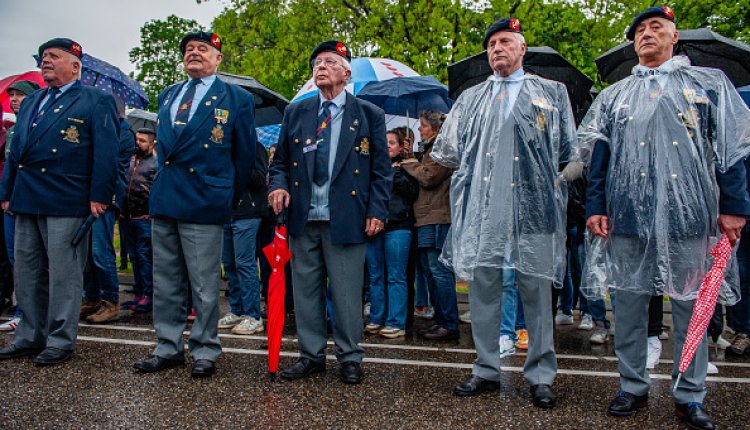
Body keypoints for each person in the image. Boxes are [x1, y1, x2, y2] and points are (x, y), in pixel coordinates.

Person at [578, 7, 750, 429]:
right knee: (631, 306)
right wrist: (596, 206)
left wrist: (734, 207)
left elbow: (730, 153)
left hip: (691, 218)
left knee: (693, 308)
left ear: (676, 38)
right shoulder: (614, 96)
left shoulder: (706, 86)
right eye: (639, 30)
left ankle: (689, 395)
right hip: (629, 219)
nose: (646, 34)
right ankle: (632, 385)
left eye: (657, 27)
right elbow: (597, 158)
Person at [431, 18, 578, 409]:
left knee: (536, 291)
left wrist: (556, 182)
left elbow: (569, 151)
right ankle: (485, 367)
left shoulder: (551, 93)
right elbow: (446, 152)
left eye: (505, 41)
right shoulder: (471, 97)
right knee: (484, 291)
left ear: (522, 47)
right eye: (492, 43)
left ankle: (541, 374)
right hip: (484, 210)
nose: (497, 48)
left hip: (534, 210)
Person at [133, 31, 256, 378]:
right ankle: (168, 346)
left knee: (203, 284)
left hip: (205, 197)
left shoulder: (236, 97)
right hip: (167, 196)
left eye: (204, 49)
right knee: (167, 280)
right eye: (189, 49)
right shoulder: (169, 94)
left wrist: (224, 193)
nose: (195, 53)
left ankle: (204, 348)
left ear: (219, 59)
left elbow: (245, 155)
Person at [268, 40, 391, 384]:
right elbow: (279, 162)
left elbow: (381, 170)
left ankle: (350, 356)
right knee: (305, 290)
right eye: (316, 62)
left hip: (347, 215)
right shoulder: (298, 112)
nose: (320, 67)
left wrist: (377, 210)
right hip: (303, 218)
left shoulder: (368, 114)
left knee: (347, 292)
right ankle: (311, 355)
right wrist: (277, 185)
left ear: (346, 72)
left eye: (330, 61)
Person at [0, 38, 119, 365]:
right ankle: (28, 336)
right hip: (26, 198)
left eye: (54, 56)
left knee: (64, 275)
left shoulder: (95, 101)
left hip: (67, 198)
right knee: (27, 272)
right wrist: (6, 193)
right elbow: (15, 154)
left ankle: (60, 340)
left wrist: (100, 195)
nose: (46, 61)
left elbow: (106, 152)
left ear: (75, 65)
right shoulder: (34, 100)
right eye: (43, 57)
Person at [401, 110, 458, 340]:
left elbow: (429, 176)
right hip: (424, 218)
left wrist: (411, 164)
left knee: (439, 271)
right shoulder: (429, 149)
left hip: (437, 217)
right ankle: (440, 319)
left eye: (423, 126)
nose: (420, 130)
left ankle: (449, 322)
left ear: (435, 128)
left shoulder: (442, 149)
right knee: (429, 270)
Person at [81, 98, 135, 323]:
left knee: (101, 252)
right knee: (89, 255)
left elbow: (108, 162)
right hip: (91, 195)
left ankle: (110, 302)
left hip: (108, 196)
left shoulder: (123, 132)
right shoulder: (105, 128)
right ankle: (92, 297)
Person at [365, 127, 419, 339]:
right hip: (373, 228)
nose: (387, 145)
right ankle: (377, 318)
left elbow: (412, 192)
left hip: (398, 227)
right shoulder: (372, 168)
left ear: (400, 147)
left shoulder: (407, 168)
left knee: (396, 276)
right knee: (376, 276)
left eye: (392, 142)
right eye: (384, 141)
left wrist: (394, 172)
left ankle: (396, 322)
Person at [0, 80, 39, 331]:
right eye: (12, 95)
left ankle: (26, 311)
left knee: (26, 259)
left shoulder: (34, 125)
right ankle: (21, 308)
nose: (15, 99)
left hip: (27, 202)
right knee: (15, 257)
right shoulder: (14, 129)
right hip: (11, 202)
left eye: (20, 95)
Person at [219, 140, 268, 335]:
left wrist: (238, 163)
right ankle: (237, 310)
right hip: (227, 212)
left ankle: (253, 315)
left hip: (248, 213)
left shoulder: (254, 147)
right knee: (229, 264)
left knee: (244, 264)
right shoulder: (224, 147)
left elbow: (259, 179)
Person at [119, 128, 158, 313]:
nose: (138, 143)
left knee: (145, 257)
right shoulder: (131, 160)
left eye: (142, 141)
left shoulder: (156, 162)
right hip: (126, 216)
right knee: (134, 257)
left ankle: (148, 295)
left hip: (144, 217)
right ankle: (138, 292)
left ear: (152, 143)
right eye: (137, 140)